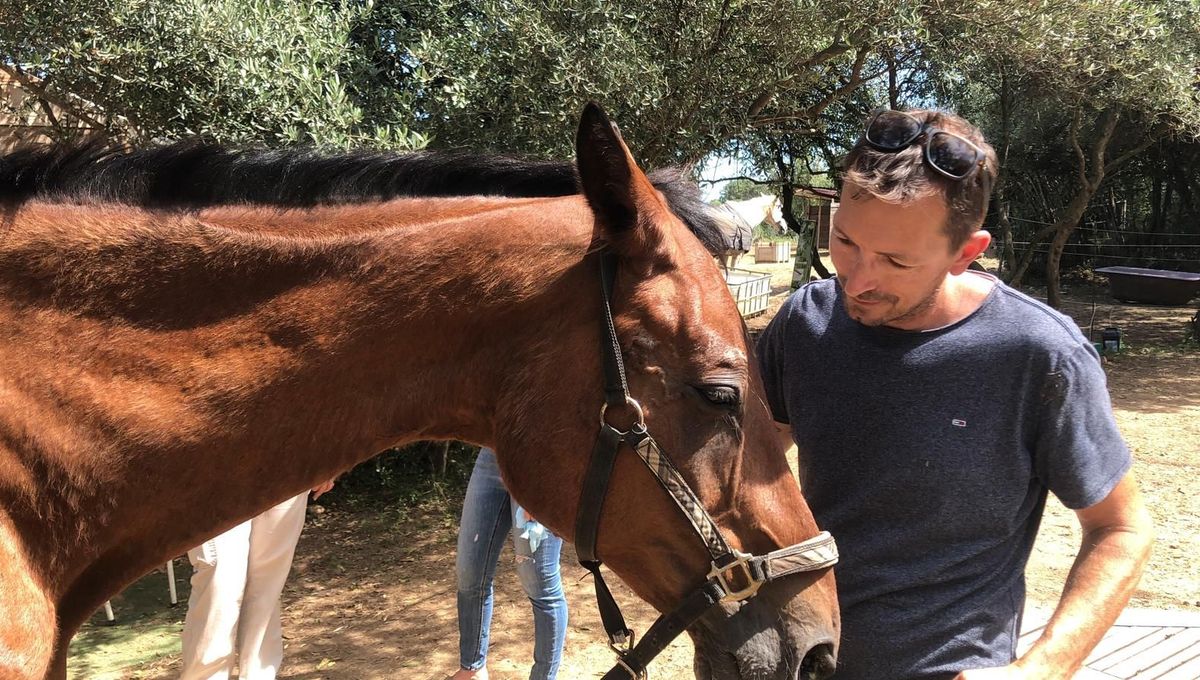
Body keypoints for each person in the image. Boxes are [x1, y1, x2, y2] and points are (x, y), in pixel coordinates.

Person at [756, 108, 1153, 679]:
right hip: (799, 661)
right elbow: (748, 475)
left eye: (895, 261)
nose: (857, 278)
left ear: (966, 252)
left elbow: (1121, 528)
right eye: (844, 239)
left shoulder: (1039, 354)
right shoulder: (804, 324)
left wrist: (1038, 671)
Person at [179, 479, 335, 680]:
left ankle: (259, 675)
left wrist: (326, 463)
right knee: (221, 580)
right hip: (214, 469)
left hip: (288, 467)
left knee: (267, 585)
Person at [448, 447, 568, 680]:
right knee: (470, 572)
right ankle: (472, 669)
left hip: (540, 462)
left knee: (538, 582)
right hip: (492, 452)